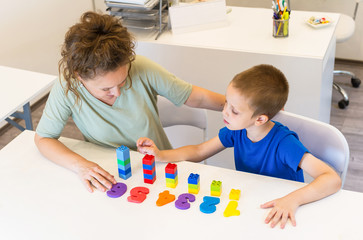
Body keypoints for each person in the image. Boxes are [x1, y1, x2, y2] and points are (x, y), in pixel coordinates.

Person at [34, 12, 225, 194]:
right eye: (106, 89)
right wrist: (80, 165)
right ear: (79, 76)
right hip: (110, 174)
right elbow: (44, 139)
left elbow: (195, 97)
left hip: (161, 168)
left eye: (123, 80)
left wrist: (238, 108)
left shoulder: (142, 67)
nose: (117, 92)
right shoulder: (67, 85)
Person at [137, 64, 342, 229]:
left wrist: (293, 200)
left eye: (234, 111)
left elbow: (331, 179)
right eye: (226, 103)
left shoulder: (284, 143)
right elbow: (199, 151)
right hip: (251, 203)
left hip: (281, 210)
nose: (225, 112)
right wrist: (161, 155)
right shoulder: (237, 131)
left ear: (260, 119)